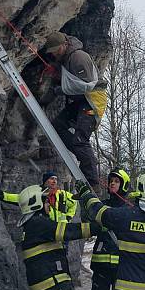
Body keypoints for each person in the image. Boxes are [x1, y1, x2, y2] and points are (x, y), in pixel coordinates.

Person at [41, 32, 106, 193]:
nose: (55, 54)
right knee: (58, 125)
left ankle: (93, 183)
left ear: (64, 45)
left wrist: (59, 89)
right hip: (80, 100)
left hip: (93, 99)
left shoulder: (78, 57)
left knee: (80, 140)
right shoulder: (64, 59)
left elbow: (86, 85)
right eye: (52, 52)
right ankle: (84, 155)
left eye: (56, 50)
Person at [79, 168, 131, 290]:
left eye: (116, 181)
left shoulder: (129, 210)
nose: (111, 184)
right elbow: (90, 218)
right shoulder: (102, 207)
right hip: (101, 265)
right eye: (110, 180)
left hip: (122, 266)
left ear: (124, 185)